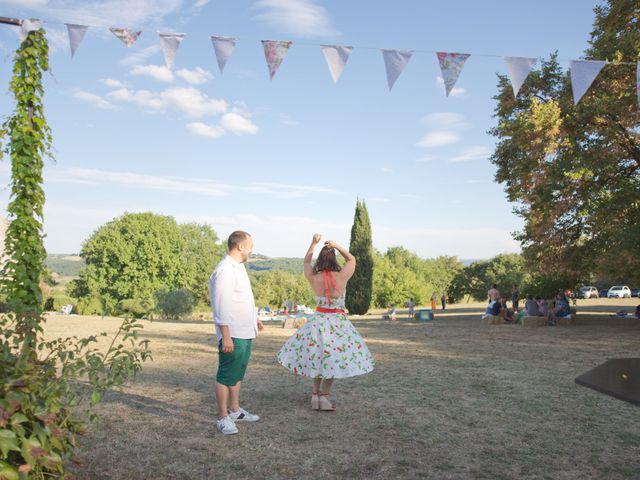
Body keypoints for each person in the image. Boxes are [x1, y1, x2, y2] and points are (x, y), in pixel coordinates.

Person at [277, 233, 374, 411]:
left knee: (317, 358)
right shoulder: (342, 276)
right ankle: (324, 398)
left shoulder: (314, 277)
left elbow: (306, 263)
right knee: (332, 361)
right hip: (337, 324)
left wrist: (313, 244)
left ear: (320, 260)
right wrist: (336, 245)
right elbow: (352, 259)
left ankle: (315, 396)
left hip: (318, 323)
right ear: (334, 259)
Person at [210, 231, 264, 435]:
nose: (252, 249)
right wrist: (225, 335)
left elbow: (242, 298)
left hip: (244, 329)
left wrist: (254, 318)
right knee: (226, 374)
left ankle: (235, 410)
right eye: (250, 245)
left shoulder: (239, 267)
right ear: (240, 246)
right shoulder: (225, 270)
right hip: (232, 332)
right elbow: (221, 304)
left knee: (237, 372)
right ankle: (223, 417)